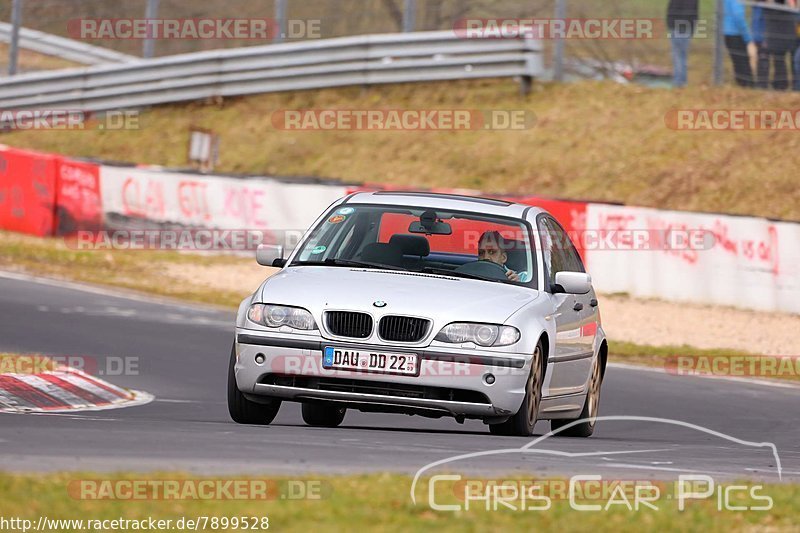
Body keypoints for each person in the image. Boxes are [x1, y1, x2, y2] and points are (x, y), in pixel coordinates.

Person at [760, 0, 797, 90]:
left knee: (780, 63)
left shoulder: (769, 9)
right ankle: (793, 84)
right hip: (789, 39)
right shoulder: (788, 10)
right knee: (791, 63)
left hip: (777, 40)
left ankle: (781, 85)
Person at [667, 0, 699, 87]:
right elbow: (695, 13)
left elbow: (671, 10)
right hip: (686, 27)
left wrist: (670, 24)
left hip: (677, 27)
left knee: (678, 56)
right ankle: (682, 81)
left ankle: (679, 82)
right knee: (682, 55)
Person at [724, 0, 756, 87]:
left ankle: (741, 83)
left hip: (726, 32)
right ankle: (747, 85)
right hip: (736, 33)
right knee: (743, 62)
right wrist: (748, 37)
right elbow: (738, 16)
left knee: (737, 62)